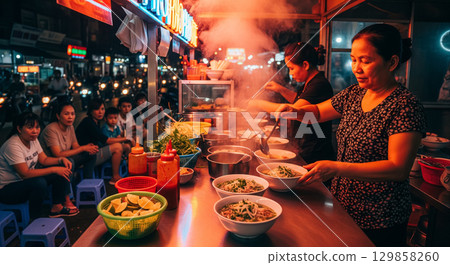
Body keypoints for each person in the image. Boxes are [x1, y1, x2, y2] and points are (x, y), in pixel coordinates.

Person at [276, 24, 426, 246]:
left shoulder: (405, 105)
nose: (356, 68)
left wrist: (336, 167)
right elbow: (317, 112)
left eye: (365, 61)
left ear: (392, 62)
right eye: (354, 59)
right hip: (343, 206)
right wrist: (296, 111)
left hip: (381, 217)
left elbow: (398, 168)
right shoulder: (355, 93)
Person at [249, 42, 335, 163]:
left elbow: (293, 110)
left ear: (305, 65)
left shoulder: (319, 85)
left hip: (315, 154)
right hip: (305, 148)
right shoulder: (308, 83)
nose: (290, 73)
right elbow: (301, 100)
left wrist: (257, 103)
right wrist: (280, 89)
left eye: (291, 68)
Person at [0, 112, 78, 219]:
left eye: (37, 127)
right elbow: (25, 174)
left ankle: (57, 207)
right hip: (7, 190)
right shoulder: (12, 145)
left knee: (62, 170)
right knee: (39, 183)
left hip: (25, 182)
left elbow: (44, 160)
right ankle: (34, 218)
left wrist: (61, 160)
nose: (35, 131)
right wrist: (54, 169)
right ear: (19, 128)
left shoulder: (33, 140)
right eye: (30, 127)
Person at [40, 103, 99, 179]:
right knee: (69, 161)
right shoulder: (51, 129)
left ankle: (88, 182)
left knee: (91, 154)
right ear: (58, 116)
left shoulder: (70, 127)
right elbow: (57, 154)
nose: (70, 117)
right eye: (66, 114)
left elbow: (76, 146)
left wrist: (88, 148)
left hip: (67, 159)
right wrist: (83, 148)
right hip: (53, 163)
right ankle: (71, 188)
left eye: (72, 114)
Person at [75, 98, 127, 185]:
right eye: (96, 109)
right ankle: (115, 177)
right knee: (117, 146)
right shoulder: (88, 122)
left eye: (102, 109)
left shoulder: (96, 121)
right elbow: (107, 140)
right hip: (86, 157)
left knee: (124, 146)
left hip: (94, 153)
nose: (100, 112)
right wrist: (125, 138)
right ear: (91, 111)